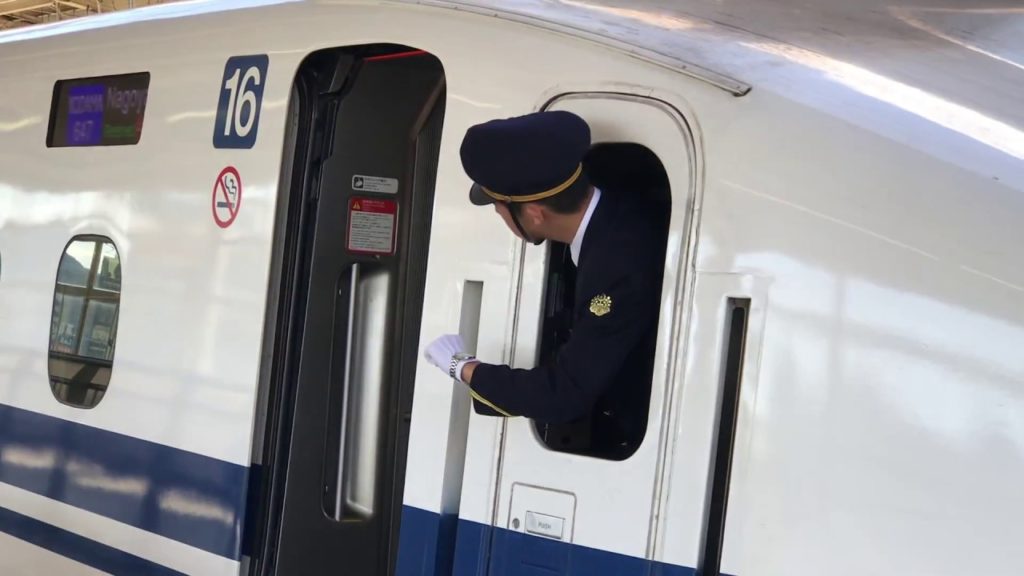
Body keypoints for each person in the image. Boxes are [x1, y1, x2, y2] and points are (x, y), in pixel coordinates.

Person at [424, 110, 666, 447]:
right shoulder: (619, 213)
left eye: (499, 207)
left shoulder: (618, 268)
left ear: (535, 213)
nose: (497, 214)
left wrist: (461, 366)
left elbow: (564, 395)